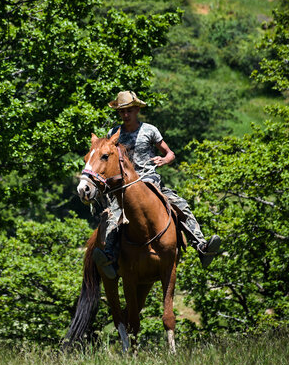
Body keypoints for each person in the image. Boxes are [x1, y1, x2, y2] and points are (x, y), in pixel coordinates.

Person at [92, 91, 221, 279]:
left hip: (149, 181)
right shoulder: (114, 134)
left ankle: (201, 246)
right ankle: (109, 256)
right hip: (122, 187)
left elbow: (170, 153)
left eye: (129, 110)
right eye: (122, 112)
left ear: (136, 109)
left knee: (180, 204)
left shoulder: (150, 130)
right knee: (113, 215)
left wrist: (164, 160)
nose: (125, 115)